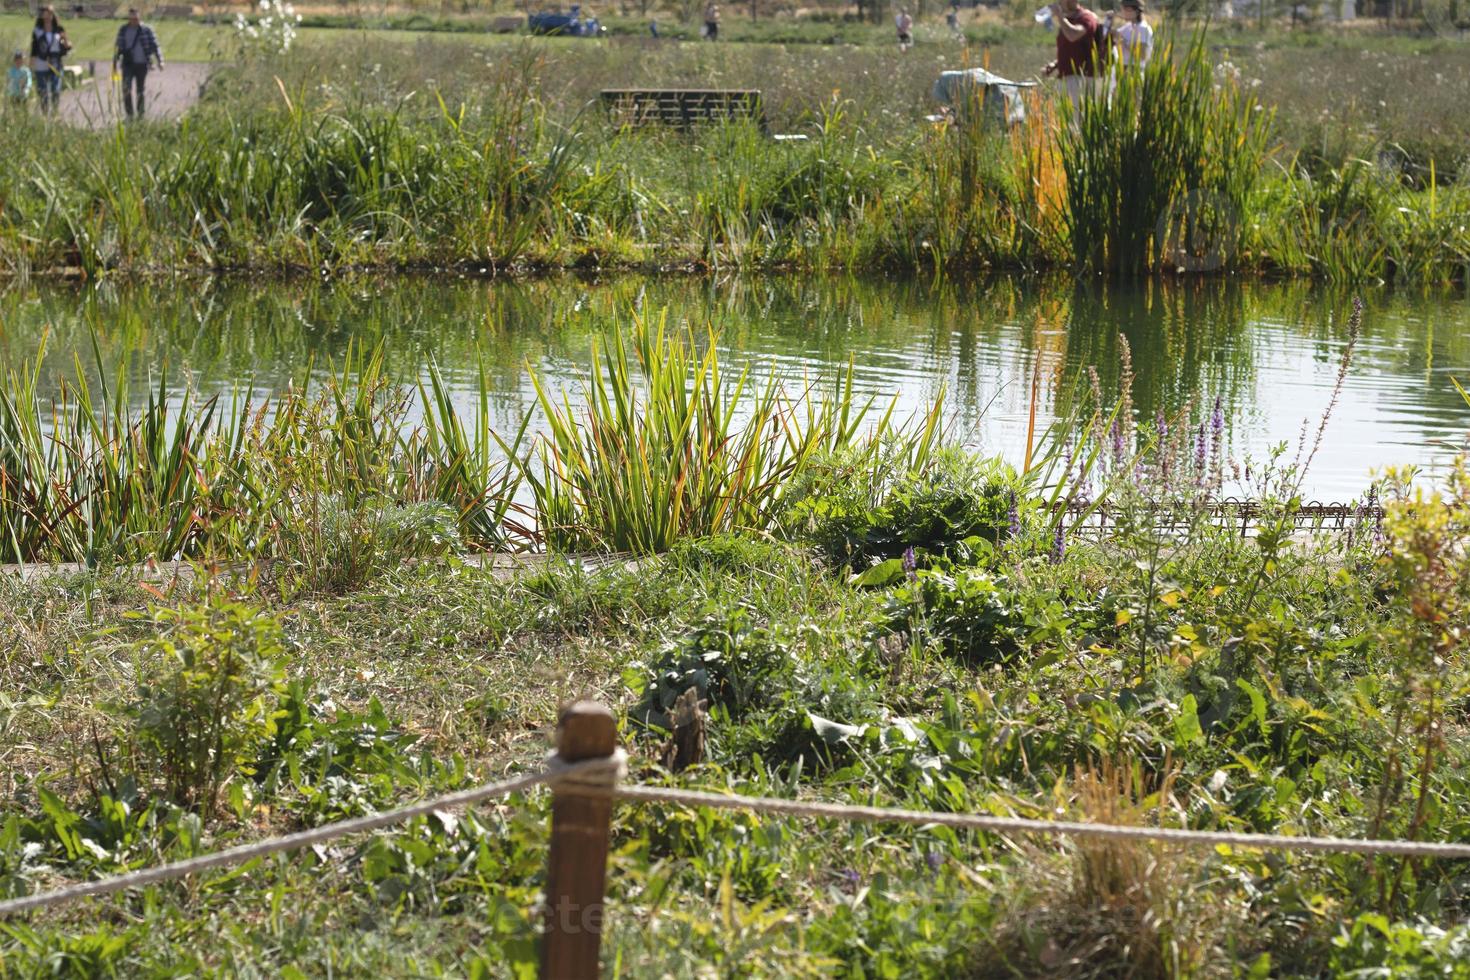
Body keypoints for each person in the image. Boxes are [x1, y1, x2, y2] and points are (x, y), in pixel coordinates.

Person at [1040, 0, 1100, 111]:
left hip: (1080, 79)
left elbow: (1073, 36)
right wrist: (1054, 65)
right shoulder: (1067, 20)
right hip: (1066, 78)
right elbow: (1069, 49)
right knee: (1064, 121)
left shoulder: (1086, 18)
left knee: (1077, 121)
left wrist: (1060, 16)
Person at [113, 7, 164, 121]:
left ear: (139, 17)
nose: (134, 21)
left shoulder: (146, 30)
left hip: (142, 64)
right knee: (126, 89)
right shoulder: (123, 30)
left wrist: (160, 60)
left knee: (140, 90)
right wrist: (114, 63)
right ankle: (129, 114)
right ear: (129, 18)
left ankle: (141, 114)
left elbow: (155, 45)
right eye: (132, 18)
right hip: (128, 64)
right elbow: (118, 47)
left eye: (136, 18)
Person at [30, 4, 69, 116]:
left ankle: (55, 112)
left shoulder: (59, 29)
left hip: (55, 62)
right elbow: (34, 48)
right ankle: (45, 113)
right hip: (41, 62)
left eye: (49, 14)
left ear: (53, 15)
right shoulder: (37, 31)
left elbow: (66, 46)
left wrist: (64, 38)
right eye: (45, 14)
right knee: (42, 90)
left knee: (55, 89)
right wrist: (31, 65)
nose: (47, 16)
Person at [1111, 0, 1151, 69]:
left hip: (1134, 70)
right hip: (1122, 68)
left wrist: (1122, 40)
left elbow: (1142, 55)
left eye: (1126, 10)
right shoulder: (1128, 26)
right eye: (1122, 9)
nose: (1123, 12)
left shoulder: (1143, 28)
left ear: (1137, 11)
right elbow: (1113, 34)